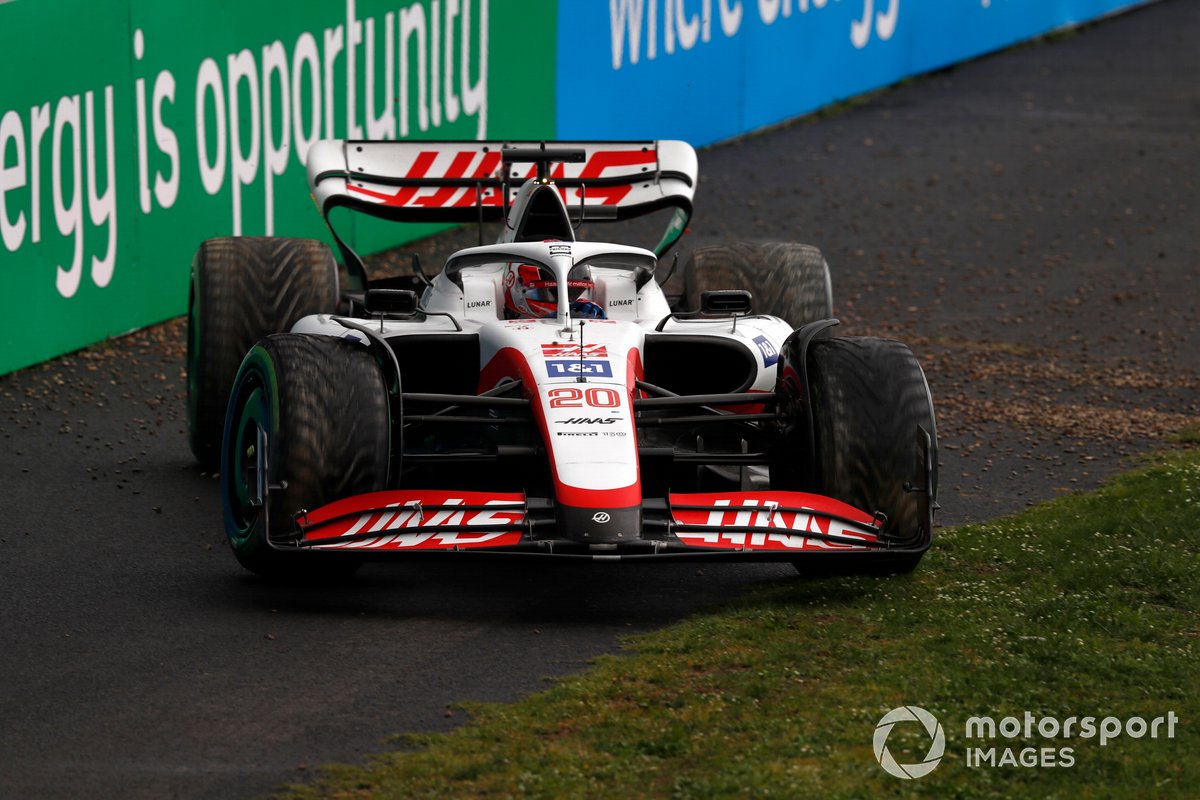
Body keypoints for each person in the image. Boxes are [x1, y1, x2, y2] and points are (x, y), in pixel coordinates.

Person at [502, 262, 606, 319]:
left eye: (574, 294)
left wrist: (598, 326)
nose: (567, 303)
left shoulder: (584, 312)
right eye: (554, 293)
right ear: (518, 289)